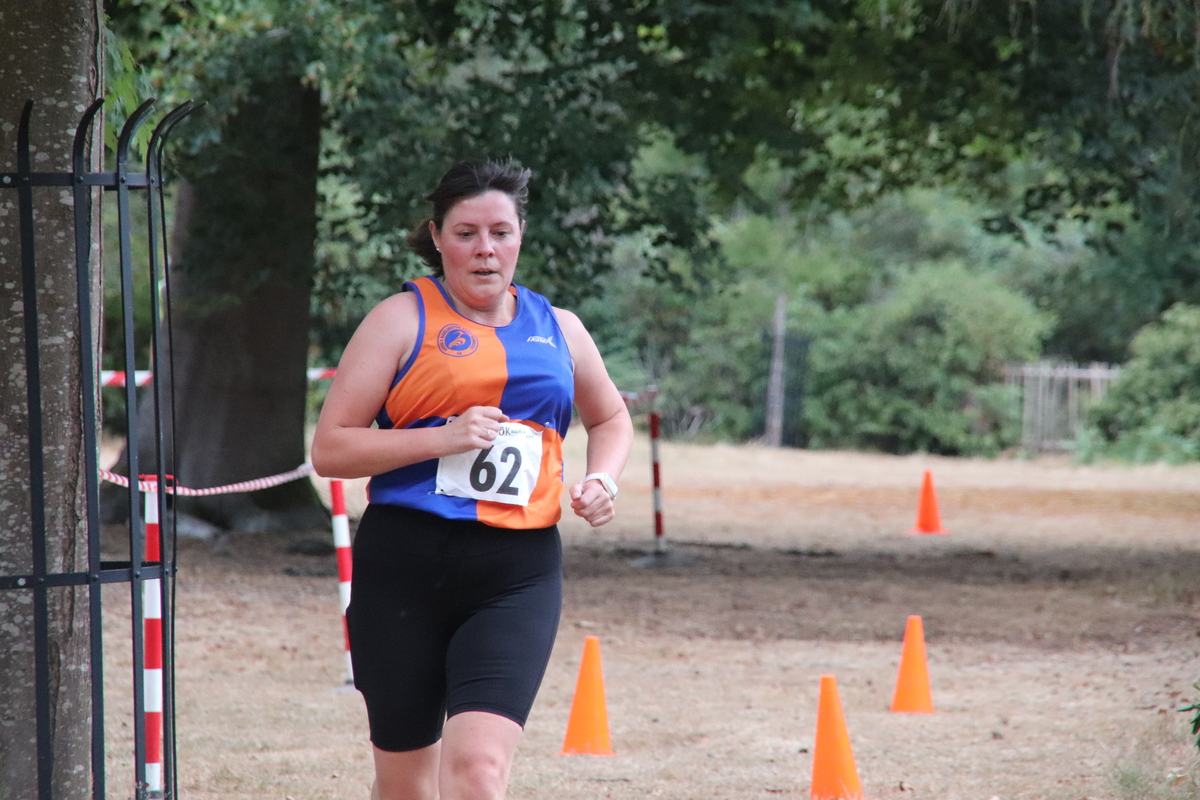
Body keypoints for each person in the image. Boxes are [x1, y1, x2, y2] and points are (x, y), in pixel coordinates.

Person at [310, 158, 634, 800]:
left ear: (520, 236)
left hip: (516, 570)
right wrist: (442, 437)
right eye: (466, 233)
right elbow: (330, 449)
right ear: (437, 236)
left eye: (500, 232)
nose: (485, 249)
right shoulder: (400, 320)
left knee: (479, 773)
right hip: (403, 563)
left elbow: (611, 417)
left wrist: (604, 480)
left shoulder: (561, 328)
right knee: (405, 786)